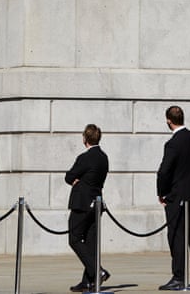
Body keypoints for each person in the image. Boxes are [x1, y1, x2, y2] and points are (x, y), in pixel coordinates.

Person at [157, 105, 190, 291]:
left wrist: (162, 192)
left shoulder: (172, 143)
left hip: (176, 196)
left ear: (168, 120)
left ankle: (178, 276)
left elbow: (164, 171)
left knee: (176, 237)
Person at [65, 124, 111, 293]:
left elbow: (69, 176)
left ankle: (98, 271)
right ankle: (88, 282)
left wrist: (77, 180)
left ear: (85, 138)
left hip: (82, 204)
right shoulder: (104, 157)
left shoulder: (85, 157)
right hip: (96, 203)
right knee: (90, 244)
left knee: (74, 239)